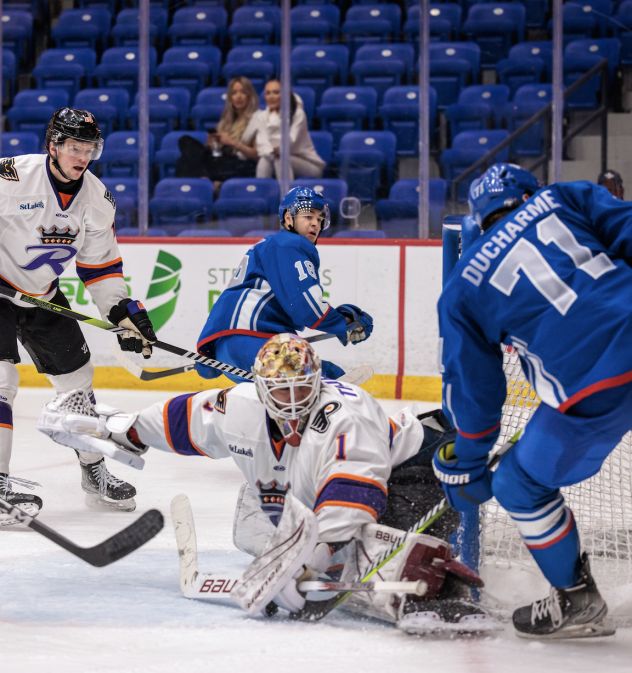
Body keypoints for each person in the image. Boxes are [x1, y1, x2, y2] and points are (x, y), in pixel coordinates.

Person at [39, 333, 496, 633]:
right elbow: (181, 421)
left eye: (302, 390)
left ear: (318, 383)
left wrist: (310, 562)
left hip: (417, 467)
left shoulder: (346, 416)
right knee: (255, 530)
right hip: (328, 488)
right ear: (260, 389)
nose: (293, 403)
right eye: (282, 392)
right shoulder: (238, 407)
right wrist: (120, 429)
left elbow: (354, 496)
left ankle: (439, 593)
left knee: (375, 543)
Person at [432, 162, 632, 639]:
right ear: (528, 194)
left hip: (591, 389)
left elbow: (476, 396)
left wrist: (470, 462)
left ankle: (576, 596)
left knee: (519, 486)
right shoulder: (566, 197)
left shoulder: (462, 286)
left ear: (479, 221)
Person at [0, 108, 157, 520]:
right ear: (53, 145)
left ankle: (94, 473)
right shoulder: (11, 176)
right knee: (1, 380)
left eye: (89, 148)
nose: (83, 155)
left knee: (77, 384)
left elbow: (99, 265)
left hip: (43, 296)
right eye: (74, 146)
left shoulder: (96, 198)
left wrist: (121, 312)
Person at [195, 186, 373, 388]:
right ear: (289, 218)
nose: (316, 223)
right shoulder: (290, 244)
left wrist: (211, 352)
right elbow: (306, 307)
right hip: (256, 340)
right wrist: (344, 323)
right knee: (329, 380)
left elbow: (230, 301)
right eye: (308, 216)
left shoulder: (267, 245)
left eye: (320, 218)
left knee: (275, 405)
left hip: (226, 349)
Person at [175, 76, 259, 186]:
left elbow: (256, 155)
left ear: (249, 96)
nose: (239, 96)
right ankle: (206, 181)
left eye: (243, 92)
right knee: (185, 141)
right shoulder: (225, 122)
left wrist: (232, 142)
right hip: (220, 160)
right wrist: (211, 145)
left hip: (238, 163)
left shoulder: (256, 119)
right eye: (234, 93)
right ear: (230, 98)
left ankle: (202, 185)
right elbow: (217, 151)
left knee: (184, 162)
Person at [254, 78, 325, 182]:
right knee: (264, 159)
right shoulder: (262, 117)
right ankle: (261, 194)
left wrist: (277, 150)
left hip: (309, 165)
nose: (271, 97)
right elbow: (262, 144)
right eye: (267, 93)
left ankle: (286, 196)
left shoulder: (298, 114)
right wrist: (272, 151)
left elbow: (290, 141)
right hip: (276, 159)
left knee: (281, 158)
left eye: (276, 92)